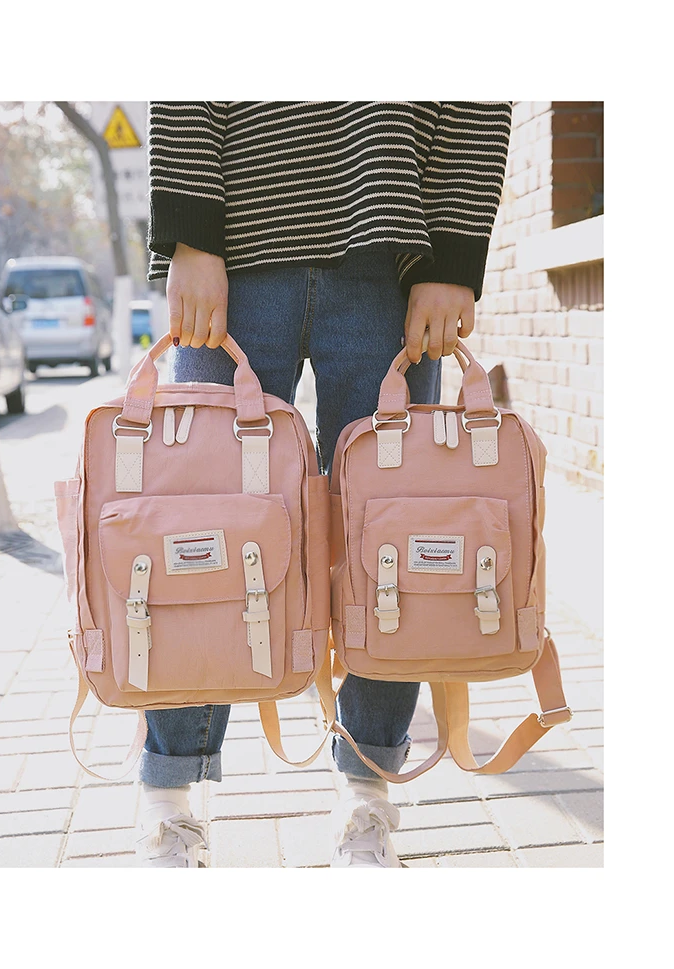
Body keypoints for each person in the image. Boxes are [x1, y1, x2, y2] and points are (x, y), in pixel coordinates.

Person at [138, 101, 512, 867]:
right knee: (195, 527)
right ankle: (169, 805)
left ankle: (367, 800)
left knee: (395, 537)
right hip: (235, 244)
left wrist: (452, 257)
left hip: (390, 248)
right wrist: (190, 234)